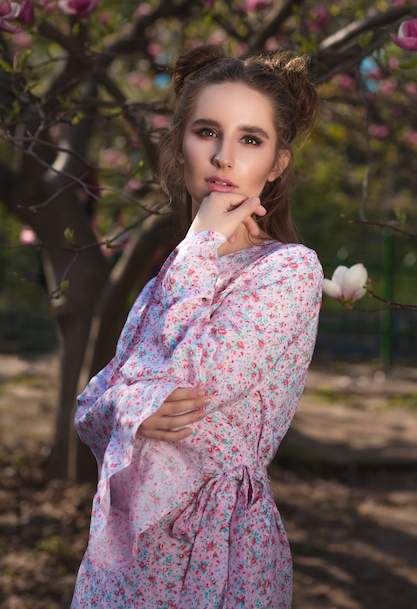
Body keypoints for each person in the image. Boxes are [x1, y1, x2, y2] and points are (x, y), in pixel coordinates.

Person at [71, 44, 323, 608]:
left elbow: (191, 384)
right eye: (207, 131)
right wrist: (133, 407)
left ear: (277, 163)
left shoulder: (288, 271)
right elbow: (90, 412)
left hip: (218, 544)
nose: (224, 158)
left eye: (250, 139)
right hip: (125, 544)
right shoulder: (169, 277)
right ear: (179, 144)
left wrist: (133, 401)